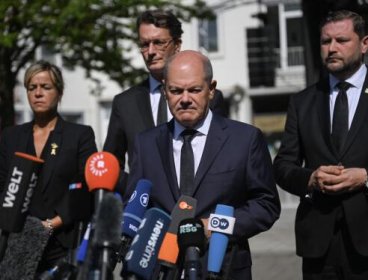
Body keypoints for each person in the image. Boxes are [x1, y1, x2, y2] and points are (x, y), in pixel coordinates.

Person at [125, 50, 280, 279]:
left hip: (223, 269)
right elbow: (136, 205)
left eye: (194, 90)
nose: (185, 99)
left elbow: (266, 205)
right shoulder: (145, 143)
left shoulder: (244, 139)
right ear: (165, 90)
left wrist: (215, 225)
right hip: (162, 271)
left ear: (211, 89)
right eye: (176, 90)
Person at [273, 10, 368, 279]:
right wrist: (311, 179)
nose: (332, 48)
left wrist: (367, 177)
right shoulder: (302, 102)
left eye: (341, 40)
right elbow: (283, 165)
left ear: (364, 43)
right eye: (325, 41)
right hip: (319, 246)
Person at [103, 9, 227, 195]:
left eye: (159, 43)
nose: (150, 52)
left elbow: (220, 156)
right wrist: (138, 189)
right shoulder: (125, 103)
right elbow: (110, 164)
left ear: (177, 45)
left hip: (197, 209)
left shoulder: (210, 97)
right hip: (145, 215)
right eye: (144, 44)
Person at [0, 60, 97, 276]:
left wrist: (50, 225)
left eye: (46, 87)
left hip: (61, 244)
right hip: (15, 244)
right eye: (32, 88)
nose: (38, 93)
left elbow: (85, 188)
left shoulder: (79, 135)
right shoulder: (11, 136)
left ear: (59, 93)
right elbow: (3, 187)